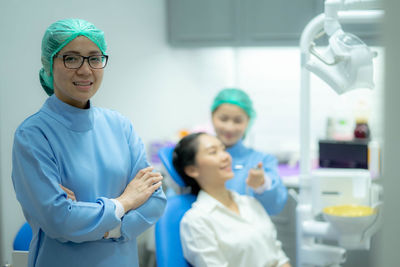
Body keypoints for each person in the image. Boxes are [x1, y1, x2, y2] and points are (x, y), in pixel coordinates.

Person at [11, 18, 166, 267]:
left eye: (94, 58)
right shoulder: (34, 135)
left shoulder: (119, 126)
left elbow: (155, 200)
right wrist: (125, 201)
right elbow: (59, 219)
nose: (85, 70)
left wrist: (101, 226)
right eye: (71, 58)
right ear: (49, 64)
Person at [173, 132, 292, 267]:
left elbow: (279, 257)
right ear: (192, 170)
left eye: (223, 149)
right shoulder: (197, 220)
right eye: (213, 152)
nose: (225, 156)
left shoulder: (250, 203)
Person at [210, 88, 288, 215]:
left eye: (238, 121)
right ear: (212, 117)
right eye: (223, 119)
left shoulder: (262, 160)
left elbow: (275, 206)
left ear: (248, 122)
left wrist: (262, 184)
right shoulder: (198, 156)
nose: (230, 127)